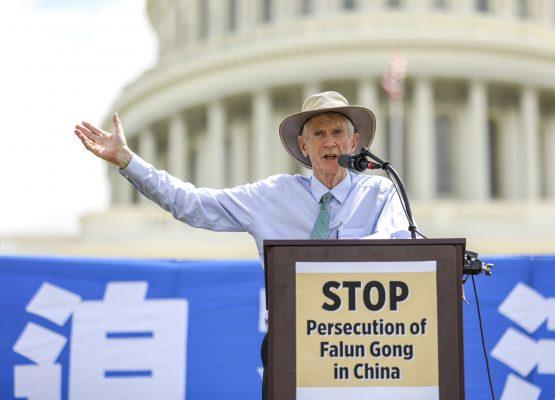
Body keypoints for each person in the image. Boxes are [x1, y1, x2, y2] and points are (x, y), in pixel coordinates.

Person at [74, 91, 410, 399]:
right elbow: (192, 203)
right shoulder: (272, 196)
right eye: (318, 134)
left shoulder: (380, 194)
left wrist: (340, 259)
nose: (329, 142)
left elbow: (400, 247)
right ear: (304, 148)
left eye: (337, 132)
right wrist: (129, 161)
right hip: (292, 345)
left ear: (354, 142)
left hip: (365, 346)